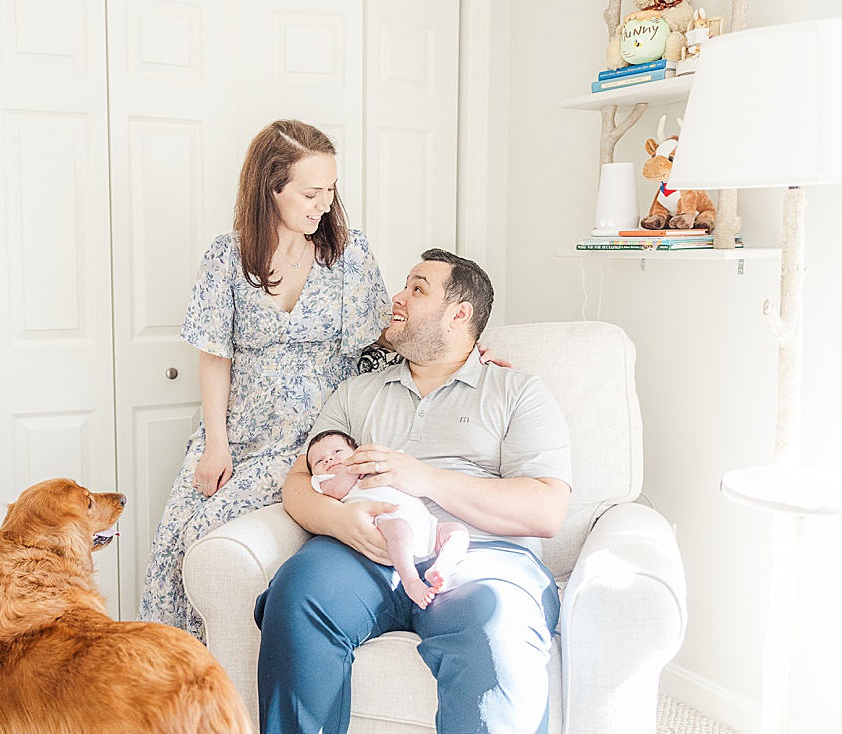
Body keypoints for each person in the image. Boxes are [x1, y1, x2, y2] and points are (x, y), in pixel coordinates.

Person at [254, 249, 573, 734]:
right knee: (297, 592)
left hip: (479, 557)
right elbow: (298, 483)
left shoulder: (517, 392)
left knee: (498, 625)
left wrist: (421, 477)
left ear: (459, 314)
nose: (397, 298)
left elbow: (548, 509)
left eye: (417, 289)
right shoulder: (357, 394)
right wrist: (341, 523)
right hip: (362, 552)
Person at [138, 120, 391, 639]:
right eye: (310, 192)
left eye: (331, 190)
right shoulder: (227, 258)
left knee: (202, 533)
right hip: (241, 434)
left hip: (313, 438)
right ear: (270, 189)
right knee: (171, 546)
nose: (324, 204)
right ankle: (164, 691)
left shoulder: (349, 254)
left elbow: (381, 337)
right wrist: (216, 445)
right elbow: (214, 355)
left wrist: (462, 350)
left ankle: (200, 686)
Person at [305, 429, 469, 609]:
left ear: (357, 452)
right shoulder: (326, 479)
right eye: (319, 461)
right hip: (385, 525)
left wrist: (370, 461)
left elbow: (402, 468)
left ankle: (440, 568)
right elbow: (334, 491)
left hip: (426, 525)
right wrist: (352, 469)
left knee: (457, 531)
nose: (328, 459)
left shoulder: (376, 462)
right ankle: (411, 581)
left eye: (337, 452)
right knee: (400, 529)